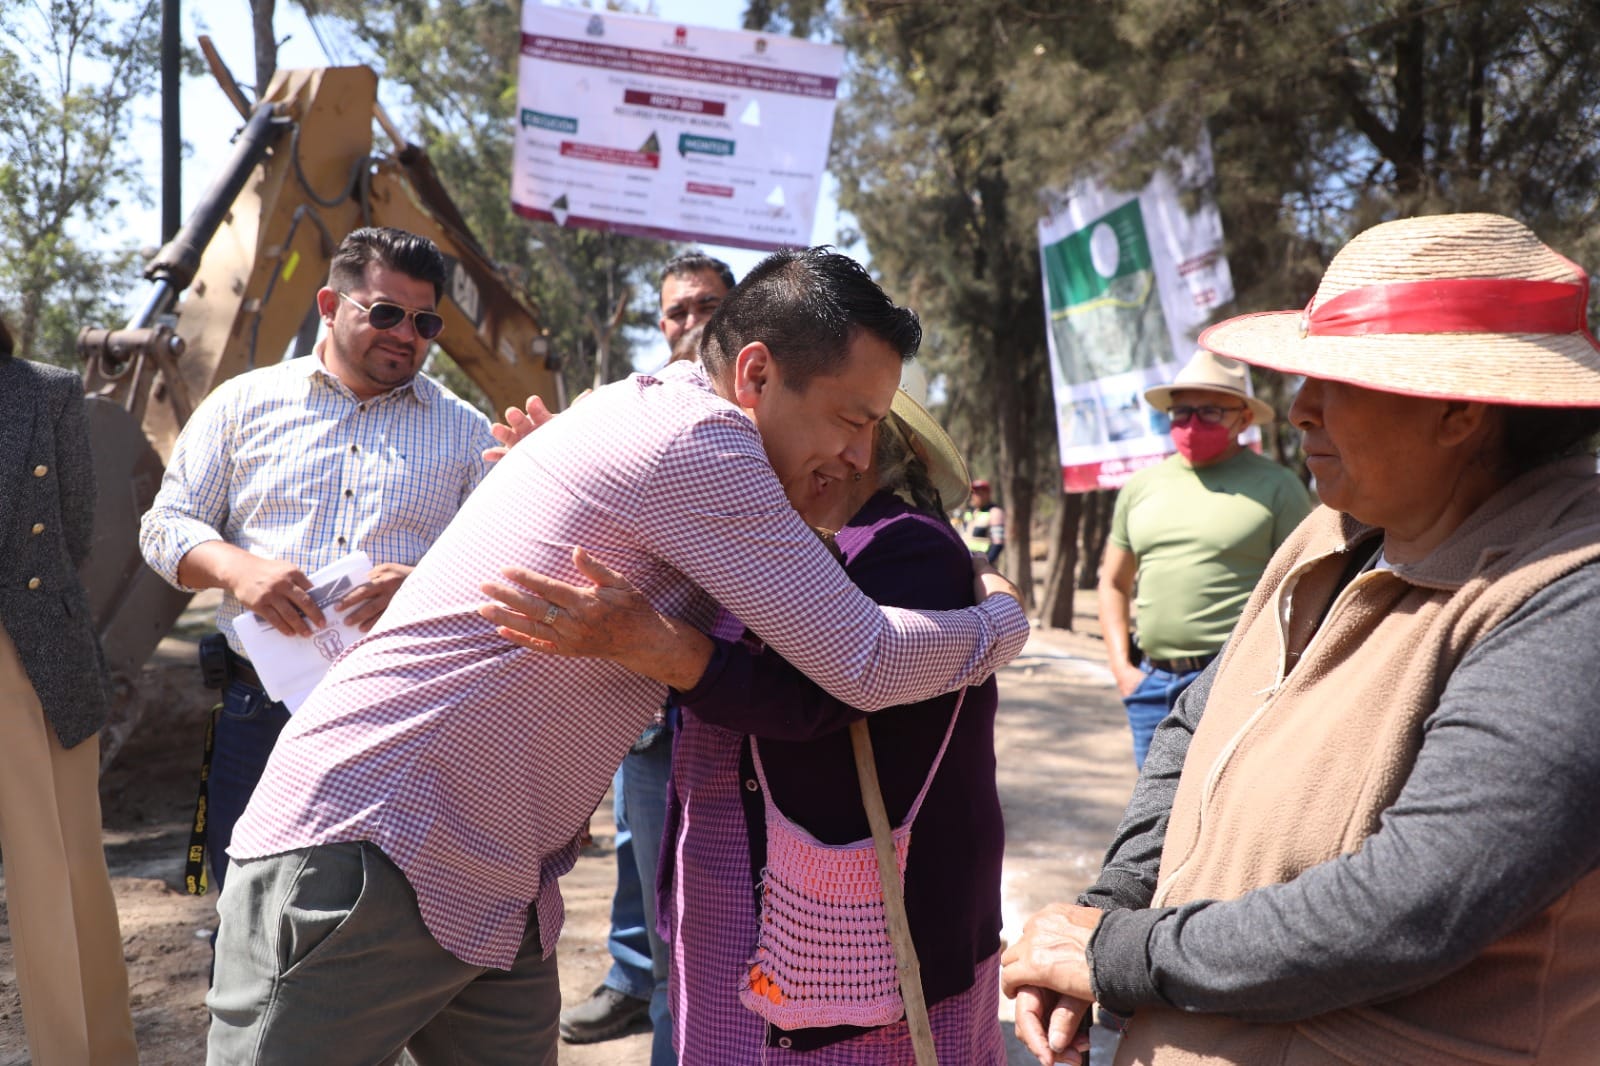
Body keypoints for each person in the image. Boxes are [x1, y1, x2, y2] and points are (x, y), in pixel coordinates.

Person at [207, 247, 1030, 1064]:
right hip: (373, 850)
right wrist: (999, 621)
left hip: (495, 878)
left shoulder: (639, 409)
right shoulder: (701, 443)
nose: (859, 454)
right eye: (853, 420)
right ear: (755, 374)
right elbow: (864, 662)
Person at [1001, 212, 1600, 1066]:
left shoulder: (1571, 593)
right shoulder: (1332, 531)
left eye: (1338, 382)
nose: (1300, 409)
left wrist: (1118, 955)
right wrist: (1109, 904)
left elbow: (1411, 904)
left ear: (1460, 410)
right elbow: (1193, 725)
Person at [483, 360, 1010, 1063]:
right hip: (741, 895)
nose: (831, 462)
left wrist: (662, 647)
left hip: (853, 928)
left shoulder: (902, 543)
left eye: (859, 439)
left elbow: (817, 696)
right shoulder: (766, 537)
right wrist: (590, 499)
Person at [138, 226, 497, 896]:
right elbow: (163, 527)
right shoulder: (243, 405)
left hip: (399, 720)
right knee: (249, 908)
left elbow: (499, 567)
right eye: (385, 312)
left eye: (425, 322)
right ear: (330, 305)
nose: (405, 334)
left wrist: (426, 585)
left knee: (376, 919)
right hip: (258, 712)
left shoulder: (468, 433)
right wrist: (237, 570)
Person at [561, 260, 733, 1057]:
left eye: (708, 306)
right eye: (676, 310)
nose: (689, 320)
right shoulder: (620, 412)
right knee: (645, 864)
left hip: (729, 699)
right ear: (659, 324)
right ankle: (639, 987)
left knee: (711, 913)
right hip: (639, 705)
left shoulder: (758, 419)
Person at [0, 314, 139, 1065]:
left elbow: (75, 531)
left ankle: (91, 1055)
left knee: (63, 869)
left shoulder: (46, 391)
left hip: (30, 650)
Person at [1097, 350, 1311, 768]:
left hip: (1235, 685)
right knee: (1155, 826)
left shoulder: (1280, 488)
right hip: (1151, 687)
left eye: (1210, 412)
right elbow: (1114, 582)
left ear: (1243, 419)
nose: (1192, 425)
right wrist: (1123, 669)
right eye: (1181, 412)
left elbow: (1306, 589)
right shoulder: (1140, 487)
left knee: (1224, 820)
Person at [959, 478, 1005, 563]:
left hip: (983, 563)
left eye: (981, 493)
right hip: (966, 561)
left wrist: (986, 564)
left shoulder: (995, 512)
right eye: (974, 493)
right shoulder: (969, 512)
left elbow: (998, 544)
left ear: (988, 494)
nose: (977, 496)